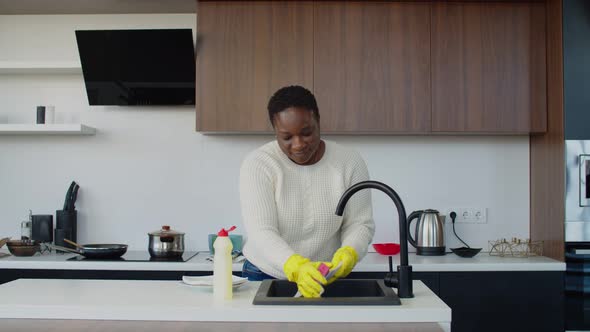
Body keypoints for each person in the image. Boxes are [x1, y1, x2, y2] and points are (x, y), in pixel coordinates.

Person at [239, 85, 375, 298]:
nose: (298, 144)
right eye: (286, 137)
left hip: (326, 277)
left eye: (306, 133)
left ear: (318, 122)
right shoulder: (259, 164)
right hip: (266, 274)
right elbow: (261, 231)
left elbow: (359, 223)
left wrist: (350, 252)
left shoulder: (349, 162)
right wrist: (295, 265)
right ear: (275, 131)